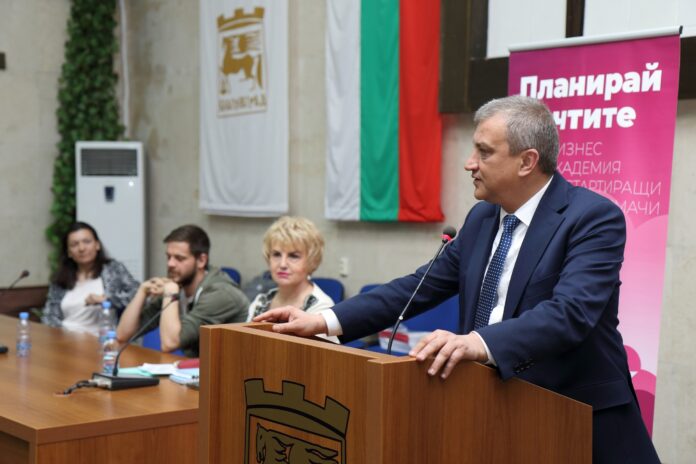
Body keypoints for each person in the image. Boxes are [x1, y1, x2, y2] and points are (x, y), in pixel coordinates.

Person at [255, 96, 660, 463]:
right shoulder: (482, 218)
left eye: (484, 152)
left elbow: (570, 313)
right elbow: (416, 288)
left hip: (579, 419)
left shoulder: (591, 218)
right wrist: (323, 320)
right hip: (491, 410)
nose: (469, 163)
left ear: (526, 161)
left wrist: (478, 342)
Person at [117, 224, 248, 357]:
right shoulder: (179, 286)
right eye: (168, 257)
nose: (170, 264)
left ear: (201, 260)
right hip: (199, 366)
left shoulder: (219, 293)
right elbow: (123, 334)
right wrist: (142, 291)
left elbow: (169, 343)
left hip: (234, 367)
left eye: (179, 258)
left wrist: (170, 292)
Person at [247, 216, 338, 343]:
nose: (282, 264)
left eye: (293, 256)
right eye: (276, 254)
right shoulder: (260, 302)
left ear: (312, 261)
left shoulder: (322, 309)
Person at [42, 222, 139, 335]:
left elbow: (137, 295)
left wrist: (105, 300)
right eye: (74, 244)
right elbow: (49, 315)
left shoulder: (113, 269)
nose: (81, 248)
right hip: (65, 339)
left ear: (97, 245)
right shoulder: (61, 278)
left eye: (87, 242)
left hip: (101, 339)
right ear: (69, 252)